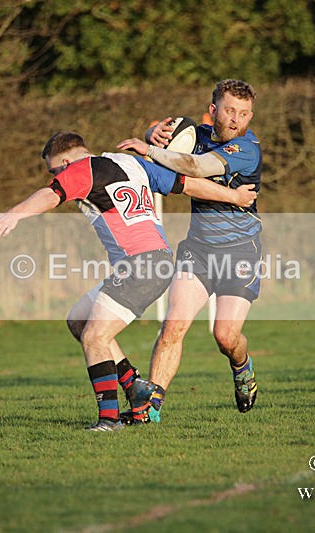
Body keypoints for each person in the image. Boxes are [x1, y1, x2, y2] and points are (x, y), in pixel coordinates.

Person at [0, 131, 256, 431]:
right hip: (154, 261)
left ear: (65, 160)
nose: (55, 176)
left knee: (95, 337)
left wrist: (13, 215)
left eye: (54, 170)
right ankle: (135, 387)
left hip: (140, 265)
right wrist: (234, 196)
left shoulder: (81, 168)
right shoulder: (130, 163)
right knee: (78, 319)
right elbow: (187, 185)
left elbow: (50, 195)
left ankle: (109, 420)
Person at [117, 79, 262, 423]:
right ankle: (148, 409)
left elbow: (195, 168)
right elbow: (168, 129)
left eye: (243, 114)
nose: (235, 120)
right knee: (172, 327)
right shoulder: (197, 134)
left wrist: (150, 150)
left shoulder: (248, 148)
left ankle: (242, 366)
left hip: (240, 251)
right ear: (214, 111)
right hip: (197, 250)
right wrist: (155, 131)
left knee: (225, 336)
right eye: (229, 111)